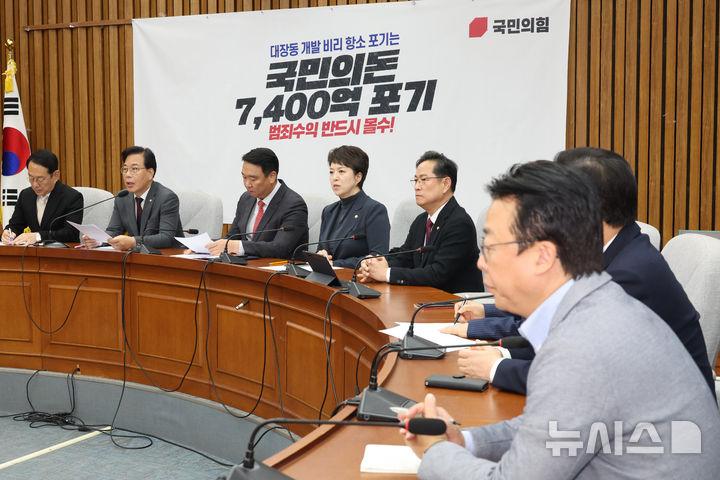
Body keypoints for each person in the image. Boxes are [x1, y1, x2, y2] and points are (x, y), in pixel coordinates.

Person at [400, 160, 720, 479]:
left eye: (491, 247)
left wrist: (435, 451)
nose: (480, 263)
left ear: (542, 256)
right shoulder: (594, 302)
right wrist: (464, 440)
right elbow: (548, 428)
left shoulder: (583, 343)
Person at [443, 148, 715, 397]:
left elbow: (576, 377)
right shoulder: (606, 252)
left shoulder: (627, 277)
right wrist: (503, 353)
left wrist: (497, 368)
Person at [356, 151, 482, 293]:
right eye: (416, 180)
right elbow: (405, 258)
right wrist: (377, 264)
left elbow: (437, 273)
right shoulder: (421, 221)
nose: (417, 186)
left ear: (445, 184)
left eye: (423, 179)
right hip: (424, 298)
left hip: (455, 301)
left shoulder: (459, 223)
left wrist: (386, 274)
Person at [206, 147, 307, 258]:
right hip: (244, 264)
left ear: (272, 176)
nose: (247, 184)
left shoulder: (294, 205)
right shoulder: (246, 199)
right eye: (244, 177)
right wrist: (205, 246)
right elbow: (232, 237)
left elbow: (280, 248)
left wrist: (239, 247)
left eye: (253, 179)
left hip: (277, 266)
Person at [82, 146, 183, 250]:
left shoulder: (166, 198)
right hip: (137, 256)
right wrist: (99, 240)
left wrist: (133, 241)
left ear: (150, 173)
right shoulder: (122, 197)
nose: (127, 175)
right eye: (125, 169)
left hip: (169, 255)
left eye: (134, 169)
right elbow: (114, 230)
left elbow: (166, 238)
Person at [315, 145, 389, 268]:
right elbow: (321, 249)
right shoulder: (328, 211)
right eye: (331, 172)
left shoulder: (374, 210)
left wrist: (335, 264)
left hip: (356, 278)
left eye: (341, 171)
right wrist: (321, 256)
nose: (334, 178)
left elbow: (377, 258)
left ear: (358, 177)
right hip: (326, 277)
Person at [2, 149, 83, 245]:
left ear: (55, 175)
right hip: (33, 251)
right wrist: (9, 232)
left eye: (40, 179)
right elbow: (16, 225)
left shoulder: (72, 198)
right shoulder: (26, 195)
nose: (35, 184)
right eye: (31, 178)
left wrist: (38, 236)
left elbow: (71, 233)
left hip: (62, 252)